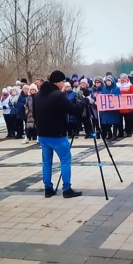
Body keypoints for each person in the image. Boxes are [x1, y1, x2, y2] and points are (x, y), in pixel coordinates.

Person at [33, 70, 83, 199]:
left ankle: (48, 188)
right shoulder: (58, 95)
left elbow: (34, 115)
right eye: (63, 82)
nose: (64, 84)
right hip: (58, 134)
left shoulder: (38, 95)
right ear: (58, 82)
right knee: (65, 160)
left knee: (46, 162)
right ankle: (67, 188)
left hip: (43, 135)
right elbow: (72, 110)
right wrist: (82, 103)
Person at [116, 73, 133, 137]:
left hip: (127, 106)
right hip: (119, 106)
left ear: (127, 78)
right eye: (121, 78)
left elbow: (132, 95)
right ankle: (120, 133)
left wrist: (132, 105)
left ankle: (128, 131)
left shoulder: (130, 85)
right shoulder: (117, 85)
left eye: (124, 78)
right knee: (119, 121)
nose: (122, 79)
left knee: (128, 120)